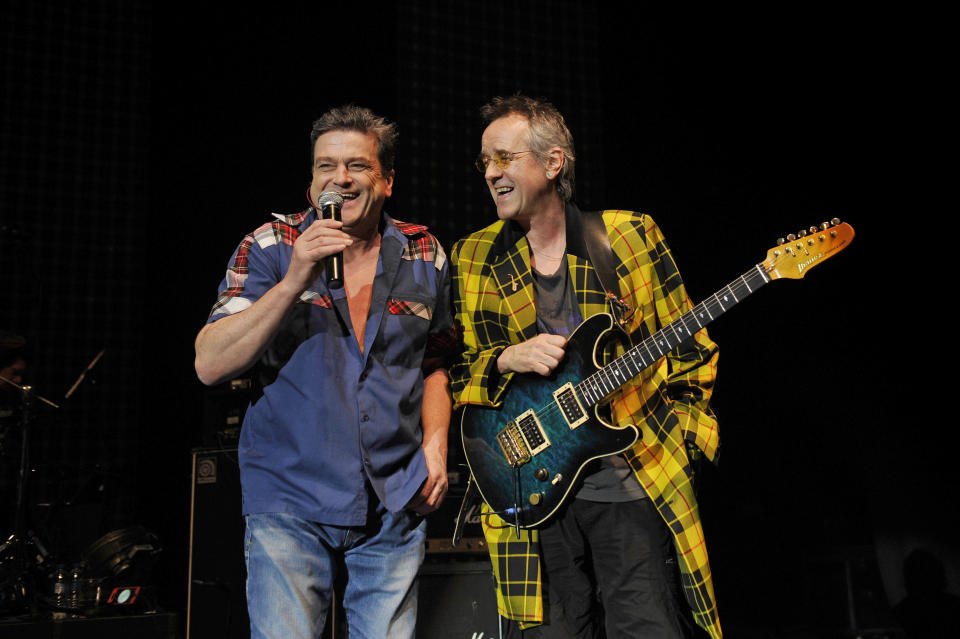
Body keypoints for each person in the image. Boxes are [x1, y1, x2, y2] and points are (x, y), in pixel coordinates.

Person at [449, 95, 722, 638]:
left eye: (504, 158)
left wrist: (687, 437)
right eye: (485, 162)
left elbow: (691, 349)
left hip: (629, 478)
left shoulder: (628, 236)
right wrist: (506, 358)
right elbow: (452, 372)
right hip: (531, 488)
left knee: (646, 626)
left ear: (553, 164)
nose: (491, 173)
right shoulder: (471, 256)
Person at [194, 105, 455, 639]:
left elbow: (436, 363)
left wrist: (435, 444)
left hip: (394, 494)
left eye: (357, 166)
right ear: (312, 185)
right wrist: (294, 280)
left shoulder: (425, 252)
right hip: (290, 493)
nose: (340, 178)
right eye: (325, 167)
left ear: (386, 181)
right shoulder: (271, 246)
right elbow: (210, 364)